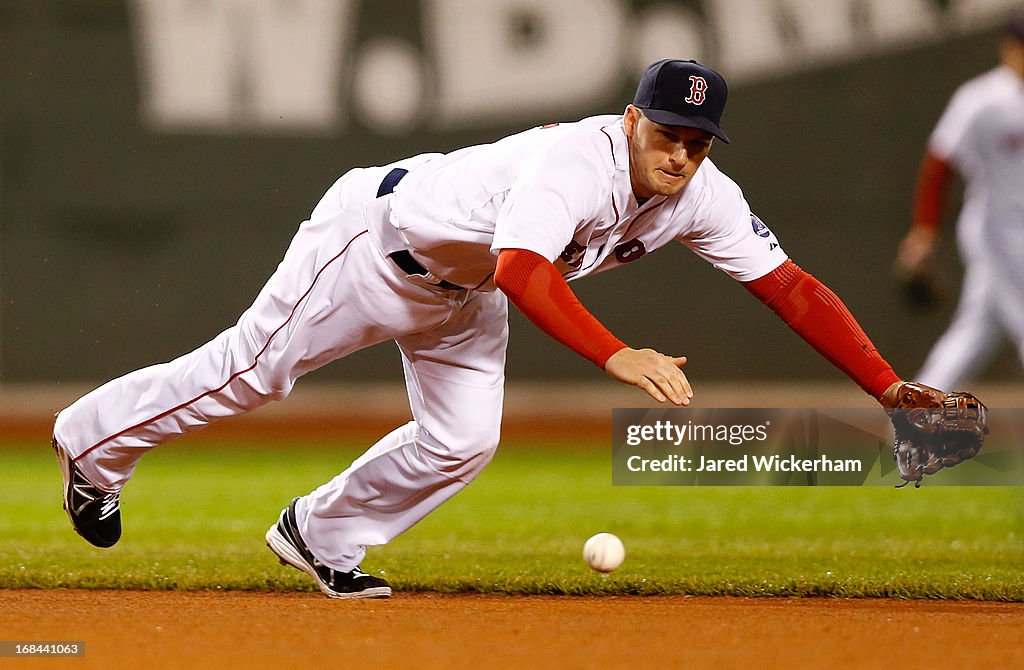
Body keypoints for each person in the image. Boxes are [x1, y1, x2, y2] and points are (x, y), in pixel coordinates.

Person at [55, 59, 914, 599]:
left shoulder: (703, 195)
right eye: (668, 131)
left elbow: (791, 287)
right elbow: (524, 270)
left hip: (463, 292)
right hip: (375, 245)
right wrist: (616, 352)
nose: (681, 153)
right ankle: (89, 446)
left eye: (700, 140)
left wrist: (888, 389)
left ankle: (318, 536)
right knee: (251, 373)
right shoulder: (573, 164)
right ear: (631, 119)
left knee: (463, 439)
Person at [895, 10, 1024, 390]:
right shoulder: (982, 98)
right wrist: (924, 230)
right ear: (1007, 47)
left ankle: (914, 411)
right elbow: (939, 163)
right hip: (995, 227)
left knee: (975, 331)